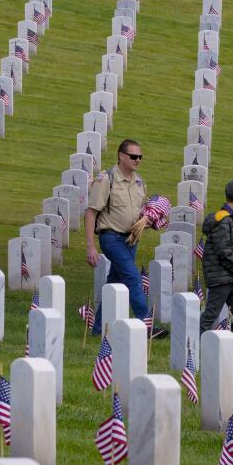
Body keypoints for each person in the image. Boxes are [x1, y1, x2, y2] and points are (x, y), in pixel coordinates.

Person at [86, 139, 166, 338]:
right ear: (121, 156)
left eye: (140, 157)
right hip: (111, 238)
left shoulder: (139, 182)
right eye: (133, 156)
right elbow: (90, 213)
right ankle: (146, 324)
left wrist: (150, 219)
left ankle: (98, 329)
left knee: (116, 283)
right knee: (133, 278)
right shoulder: (106, 179)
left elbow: (140, 213)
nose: (137, 160)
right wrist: (91, 246)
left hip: (131, 239)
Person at [198, 178, 233, 336]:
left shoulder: (230, 218)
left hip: (231, 277)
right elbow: (225, 254)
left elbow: (232, 249)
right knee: (210, 316)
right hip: (221, 279)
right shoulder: (223, 221)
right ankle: (192, 346)